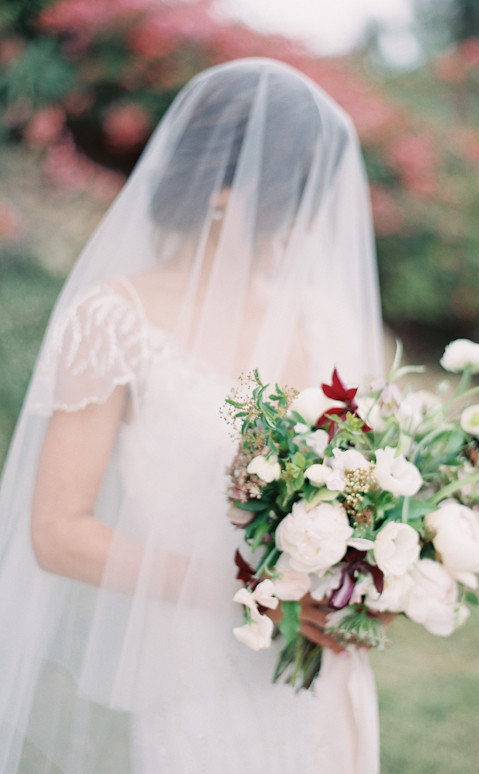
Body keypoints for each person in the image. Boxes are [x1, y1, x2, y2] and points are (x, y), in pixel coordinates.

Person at [0, 58, 385, 773]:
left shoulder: (326, 320)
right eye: (292, 193)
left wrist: (379, 573)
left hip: (326, 669)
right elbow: (57, 532)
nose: (310, 220)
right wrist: (248, 590)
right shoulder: (116, 319)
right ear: (221, 191)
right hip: (196, 669)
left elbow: (375, 492)